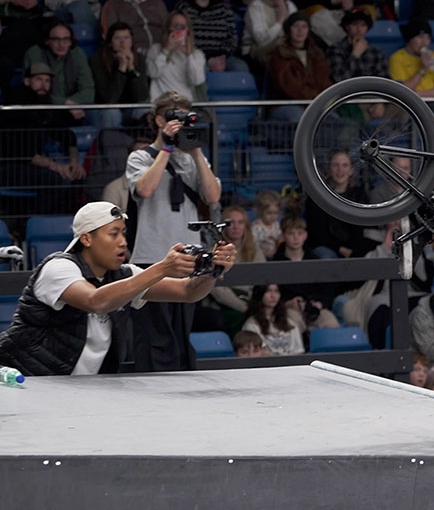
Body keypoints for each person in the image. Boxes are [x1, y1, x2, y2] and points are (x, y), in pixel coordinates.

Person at [0, 201, 236, 375]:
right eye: (113, 234)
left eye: (123, 233)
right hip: (22, 381)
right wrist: (161, 268)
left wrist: (213, 270)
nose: (123, 241)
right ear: (86, 239)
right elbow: (96, 302)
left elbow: (187, 292)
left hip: (76, 390)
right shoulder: (58, 268)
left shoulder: (125, 275)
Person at [126, 91, 221, 372]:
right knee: (155, 335)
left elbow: (213, 196)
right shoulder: (140, 157)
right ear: (158, 120)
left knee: (181, 334)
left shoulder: (193, 160)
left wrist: (196, 150)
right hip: (151, 257)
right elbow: (144, 189)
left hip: (188, 258)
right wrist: (166, 148)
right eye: (173, 117)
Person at [0, 62, 84, 213]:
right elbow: (20, 151)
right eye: (39, 79)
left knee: (77, 177)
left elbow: (66, 135)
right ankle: (30, 223)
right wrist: (56, 166)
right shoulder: (15, 105)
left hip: (32, 165)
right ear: (27, 81)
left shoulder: (44, 103)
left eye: (47, 81)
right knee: (55, 181)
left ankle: (64, 226)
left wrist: (74, 163)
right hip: (9, 166)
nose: (43, 85)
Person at [304, 150, 374, 269]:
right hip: (326, 247)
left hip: (354, 248)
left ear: (351, 170)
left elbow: (363, 230)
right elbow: (316, 234)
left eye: (344, 165)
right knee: (327, 259)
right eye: (335, 165)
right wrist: (341, 249)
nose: (340, 170)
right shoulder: (317, 196)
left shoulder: (360, 195)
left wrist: (354, 251)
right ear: (329, 169)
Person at [269, 216, 341, 330]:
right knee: (292, 325)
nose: (295, 238)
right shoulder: (275, 264)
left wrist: (320, 303)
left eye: (299, 233)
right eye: (291, 233)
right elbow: (271, 291)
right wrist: (287, 303)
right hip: (288, 310)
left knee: (330, 323)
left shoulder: (315, 261)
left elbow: (327, 289)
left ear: (305, 235)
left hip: (315, 308)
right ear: (283, 236)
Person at [204, 206, 265, 335]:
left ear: (245, 226)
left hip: (250, 301)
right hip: (224, 305)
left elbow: (263, 278)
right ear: (223, 226)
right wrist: (242, 306)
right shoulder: (214, 251)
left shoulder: (255, 251)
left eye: (240, 222)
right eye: (231, 223)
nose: (236, 227)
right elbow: (217, 290)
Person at [23, 20, 95, 121]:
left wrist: (71, 104)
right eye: (56, 40)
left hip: (77, 107)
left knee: (108, 113)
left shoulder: (77, 54)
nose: (61, 45)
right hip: (45, 109)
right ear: (47, 41)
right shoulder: (35, 53)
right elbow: (34, 91)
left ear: (71, 41)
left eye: (66, 39)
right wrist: (65, 103)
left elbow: (88, 91)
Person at [176, 0, 244, 73]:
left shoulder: (224, 9)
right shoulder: (183, 9)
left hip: (223, 57)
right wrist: (207, 59)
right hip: (194, 57)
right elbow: (180, 39)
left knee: (241, 68)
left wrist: (222, 57)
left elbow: (232, 38)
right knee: (200, 71)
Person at [267, 12, 331, 122]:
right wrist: (314, 100)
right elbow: (289, 86)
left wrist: (318, 101)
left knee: (334, 119)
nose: (300, 30)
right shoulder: (279, 55)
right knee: (301, 118)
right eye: (296, 26)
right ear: (289, 30)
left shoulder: (316, 54)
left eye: (304, 26)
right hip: (285, 104)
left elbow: (324, 82)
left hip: (313, 103)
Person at [89, 22, 149, 128]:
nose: (123, 43)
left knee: (143, 108)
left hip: (129, 109)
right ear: (110, 42)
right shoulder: (97, 60)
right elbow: (109, 99)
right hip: (104, 111)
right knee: (111, 111)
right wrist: (121, 68)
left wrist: (131, 68)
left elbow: (141, 97)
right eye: (117, 38)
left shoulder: (139, 58)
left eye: (126, 38)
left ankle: (141, 142)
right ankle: (112, 141)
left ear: (132, 41)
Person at [146, 11, 206, 102]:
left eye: (183, 27)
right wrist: (166, 50)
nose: (180, 30)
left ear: (188, 31)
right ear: (169, 29)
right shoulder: (156, 49)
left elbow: (196, 81)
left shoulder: (197, 54)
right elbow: (152, 73)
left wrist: (189, 56)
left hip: (184, 104)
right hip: (160, 104)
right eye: (176, 26)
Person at [241, 0, 296, 66]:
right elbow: (262, 41)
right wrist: (280, 20)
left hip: (285, 49)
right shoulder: (256, 6)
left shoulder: (290, 5)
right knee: (284, 63)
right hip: (257, 50)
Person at [389, 17, 434, 99]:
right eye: (420, 37)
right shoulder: (397, 58)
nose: (424, 42)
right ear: (410, 38)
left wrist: (417, 94)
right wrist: (423, 69)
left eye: (428, 38)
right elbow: (402, 92)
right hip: (409, 102)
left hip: (432, 101)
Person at [240, 284, 305, 356]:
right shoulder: (251, 324)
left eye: (276, 291)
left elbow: (299, 350)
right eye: (268, 291)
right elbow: (257, 353)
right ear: (260, 294)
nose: (273, 296)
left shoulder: (290, 322)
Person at [327, 9, 387, 82]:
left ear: (367, 28)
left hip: (369, 91)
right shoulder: (335, 50)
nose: (359, 29)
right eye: (355, 24)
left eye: (363, 25)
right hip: (345, 92)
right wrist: (355, 54)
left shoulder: (376, 53)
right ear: (347, 26)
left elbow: (384, 82)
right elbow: (338, 80)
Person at [251, 189, 282, 259]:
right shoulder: (256, 227)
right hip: (260, 257)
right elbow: (252, 244)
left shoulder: (277, 225)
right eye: (269, 213)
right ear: (261, 212)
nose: (273, 216)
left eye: (275, 213)